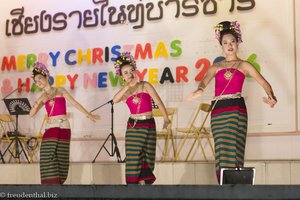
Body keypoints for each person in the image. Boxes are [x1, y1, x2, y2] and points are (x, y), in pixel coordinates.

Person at [187, 21, 277, 183]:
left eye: (232, 42)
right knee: (221, 148)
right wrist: (199, 90)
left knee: (235, 147)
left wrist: (271, 97)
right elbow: (204, 81)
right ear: (221, 45)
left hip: (236, 109)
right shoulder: (216, 66)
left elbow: (264, 83)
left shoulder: (244, 65)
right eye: (225, 43)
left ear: (238, 43)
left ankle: (236, 186)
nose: (229, 45)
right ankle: (224, 186)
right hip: (218, 110)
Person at [29, 62, 100, 184]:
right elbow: (31, 114)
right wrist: (37, 103)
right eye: (36, 81)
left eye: (40, 78)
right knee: (46, 156)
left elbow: (75, 103)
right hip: (50, 127)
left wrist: (89, 115)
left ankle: (58, 184)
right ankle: (50, 186)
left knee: (61, 156)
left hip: (63, 126)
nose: (38, 82)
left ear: (46, 76)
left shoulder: (60, 90)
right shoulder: (43, 96)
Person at [113, 52, 170, 185]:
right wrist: (127, 86)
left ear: (135, 71)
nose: (129, 74)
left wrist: (166, 119)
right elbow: (114, 100)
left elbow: (159, 102)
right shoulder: (125, 92)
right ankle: (135, 187)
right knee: (134, 158)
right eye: (125, 73)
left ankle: (143, 185)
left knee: (148, 157)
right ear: (121, 76)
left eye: (131, 71)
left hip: (149, 124)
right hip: (134, 126)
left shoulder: (145, 85)